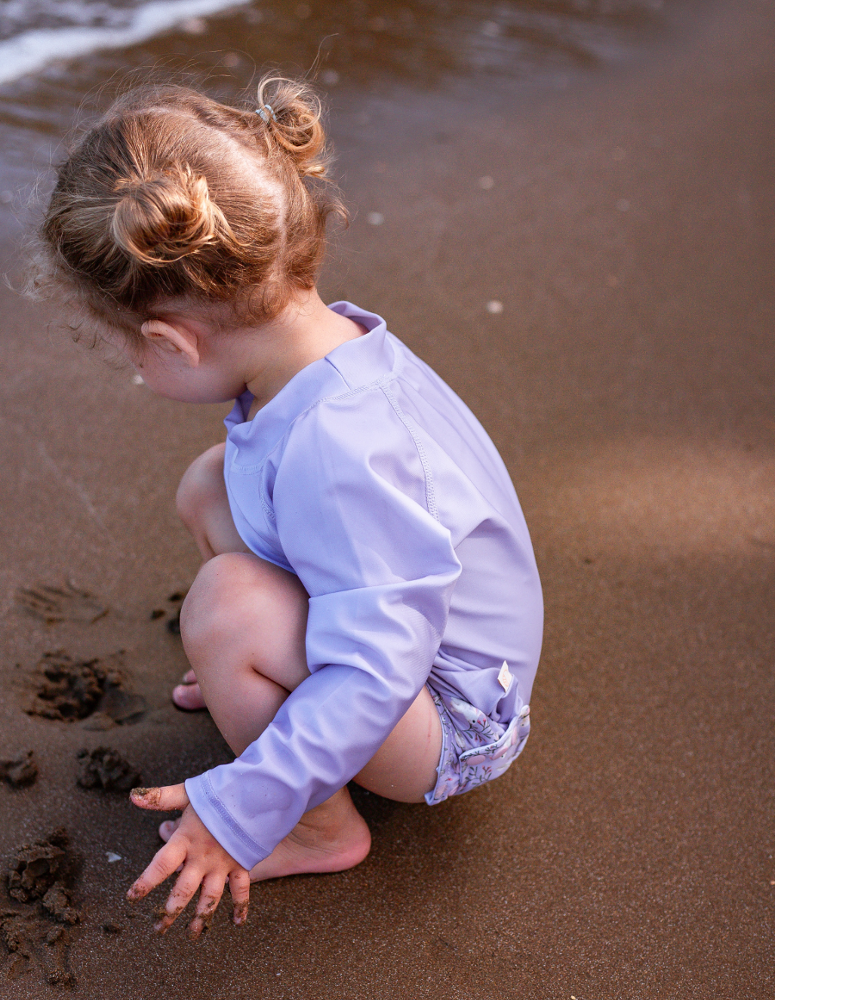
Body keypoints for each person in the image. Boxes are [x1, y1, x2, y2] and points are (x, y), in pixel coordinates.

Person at [34, 74, 543, 940]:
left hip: (449, 718)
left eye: (131, 351)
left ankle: (317, 825)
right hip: (415, 640)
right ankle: (262, 668)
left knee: (228, 606)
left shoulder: (342, 447)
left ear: (171, 339)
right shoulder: (324, 354)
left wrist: (245, 803)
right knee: (209, 482)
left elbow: (380, 668)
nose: (136, 368)